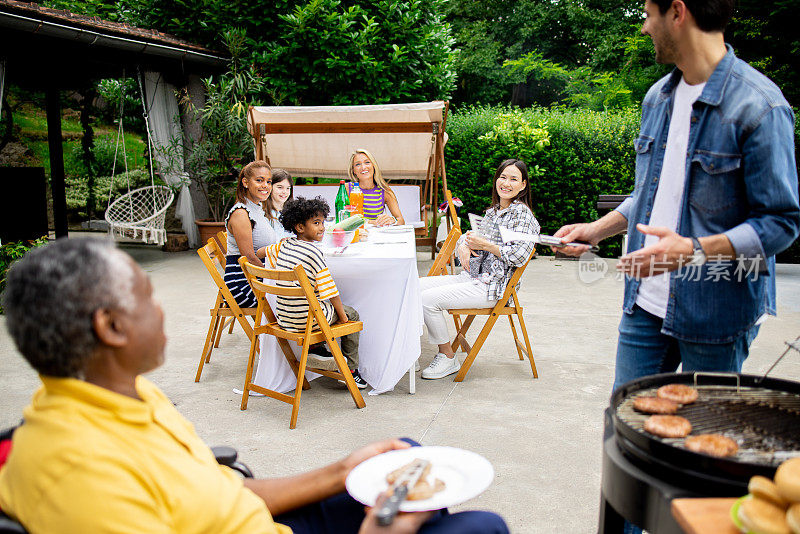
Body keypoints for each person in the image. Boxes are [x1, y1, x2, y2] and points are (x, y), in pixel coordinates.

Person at [0, 237, 509, 534]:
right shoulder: (77, 475)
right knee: (481, 528)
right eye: (147, 296)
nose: (160, 309)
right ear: (110, 327)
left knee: (403, 458)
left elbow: (218, 490)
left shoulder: (120, 394)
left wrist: (340, 470)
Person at [554, 2, 799, 388]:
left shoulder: (760, 106)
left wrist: (692, 250)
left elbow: (781, 223)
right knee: (628, 436)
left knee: (697, 443)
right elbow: (652, 194)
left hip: (716, 312)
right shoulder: (658, 98)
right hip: (645, 307)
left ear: (678, 13)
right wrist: (597, 230)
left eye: (649, 14)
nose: (644, 27)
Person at [419, 159, 540, 380]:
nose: (506, 183)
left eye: (514, 179)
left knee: (427, 300)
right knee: (413, 288)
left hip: (495, 287)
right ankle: (408, 351)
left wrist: (485, 246)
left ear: (523, 185)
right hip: (473, 277)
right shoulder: (494, 212)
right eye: (503, 177)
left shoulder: (522, 215)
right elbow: (473, 236)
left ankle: (447, 357)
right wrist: (463, 244)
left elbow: (520, 255)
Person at [265, 196, 368, 389]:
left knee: (315, 302)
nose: (322, 227)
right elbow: (331, 291)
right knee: (351, 313)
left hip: (285, 319)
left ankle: (317, 349)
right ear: (300, 227)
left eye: (322, 222)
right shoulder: (314, 253)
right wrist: (343, 316)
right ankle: (351, 371)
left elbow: (263, 252)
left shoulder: (284, 245)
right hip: (308, 321)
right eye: (316, 223)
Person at [223, 160, 277, 308]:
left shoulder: (256, 209)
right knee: (298, 295)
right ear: (245, 182)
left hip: (256, 277)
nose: (265, 185)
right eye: (259, 180)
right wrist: (273, 278)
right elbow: (249, 257)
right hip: (243, 283)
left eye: (268, 181)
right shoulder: (241, 213)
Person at [348, 149, 405, 227]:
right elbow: (344, 219)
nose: (363, 167)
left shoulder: (384, 191)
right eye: (358, 164)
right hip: (354, 236)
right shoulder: (347, 189)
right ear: (353, 170)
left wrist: (392, 220)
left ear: (373, 166)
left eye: (367, 162)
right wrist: (372, 222)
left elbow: (401, 220)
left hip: (378, 237)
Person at [265, 168, 294, 239]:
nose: (284, 192)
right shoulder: (262, 213)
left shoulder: (293, 212)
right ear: (269, 187)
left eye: (288, 188)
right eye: (280, 187)